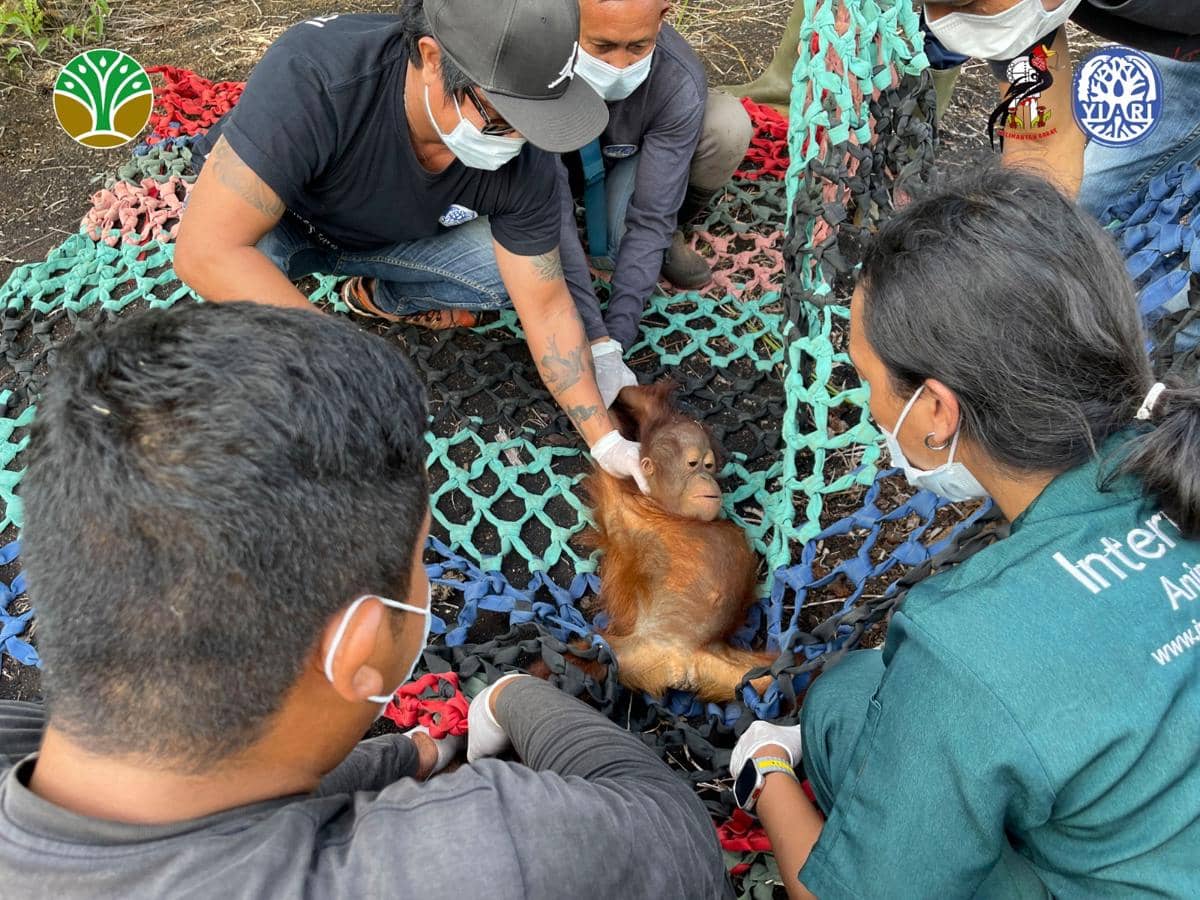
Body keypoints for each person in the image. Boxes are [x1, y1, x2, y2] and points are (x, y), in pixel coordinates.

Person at [0, 302, 733, 899]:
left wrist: (411, 753)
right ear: (357, 649)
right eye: (419, 562)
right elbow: (670, 825)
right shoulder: (492, 853)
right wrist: (510, 699)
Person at [727, 167, 1200, 898]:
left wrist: (766, 776)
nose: (872, 408)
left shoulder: (968, 645)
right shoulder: (1180, 454)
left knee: (848, 715)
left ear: (938, 411)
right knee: (855, 697)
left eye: (868, 379)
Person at [175, 0, 648, 491]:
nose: (517, 139)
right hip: (283, 225)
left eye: (534, 121)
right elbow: (206, 250)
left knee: (503, 273)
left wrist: (605, 441)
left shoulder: (526, 158)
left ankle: (376, 296)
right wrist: (345, 362)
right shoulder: (317, 72)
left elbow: (548, 308)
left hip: (388, 238)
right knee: (243, 300)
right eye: (502, 116)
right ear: (433, 58)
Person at [560, 0, 754, 370]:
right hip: (550, 164)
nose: (619, 66)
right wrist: (589, 330)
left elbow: (650, 217)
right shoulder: (536, 59)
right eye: (601, 47)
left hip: (626, 156)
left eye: (637, 47)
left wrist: (615, 339)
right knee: (531, 257)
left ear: (663, 17)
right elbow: (549, 211)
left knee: (727, 125)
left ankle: (676, 228)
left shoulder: (677, 76)